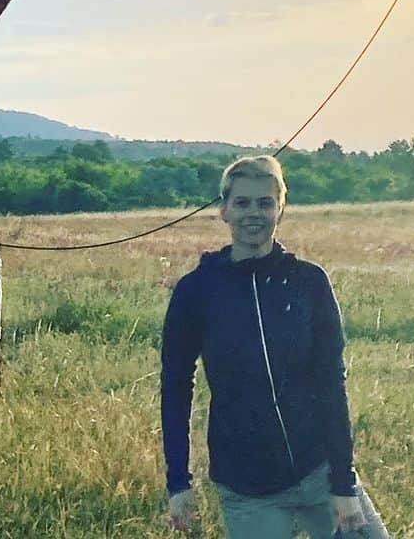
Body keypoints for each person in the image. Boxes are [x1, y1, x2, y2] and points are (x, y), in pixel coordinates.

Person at [160, 155, 390, 539]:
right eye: (243, 203)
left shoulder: (309, 282)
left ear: (281, 208)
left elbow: (332, 384)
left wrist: (344, 483)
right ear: (224, 210)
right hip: (246, 486)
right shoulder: (196, 291)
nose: (254, 213)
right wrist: (178, 482)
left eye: (265, 203)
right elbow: (176, 388)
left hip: (319, 471)